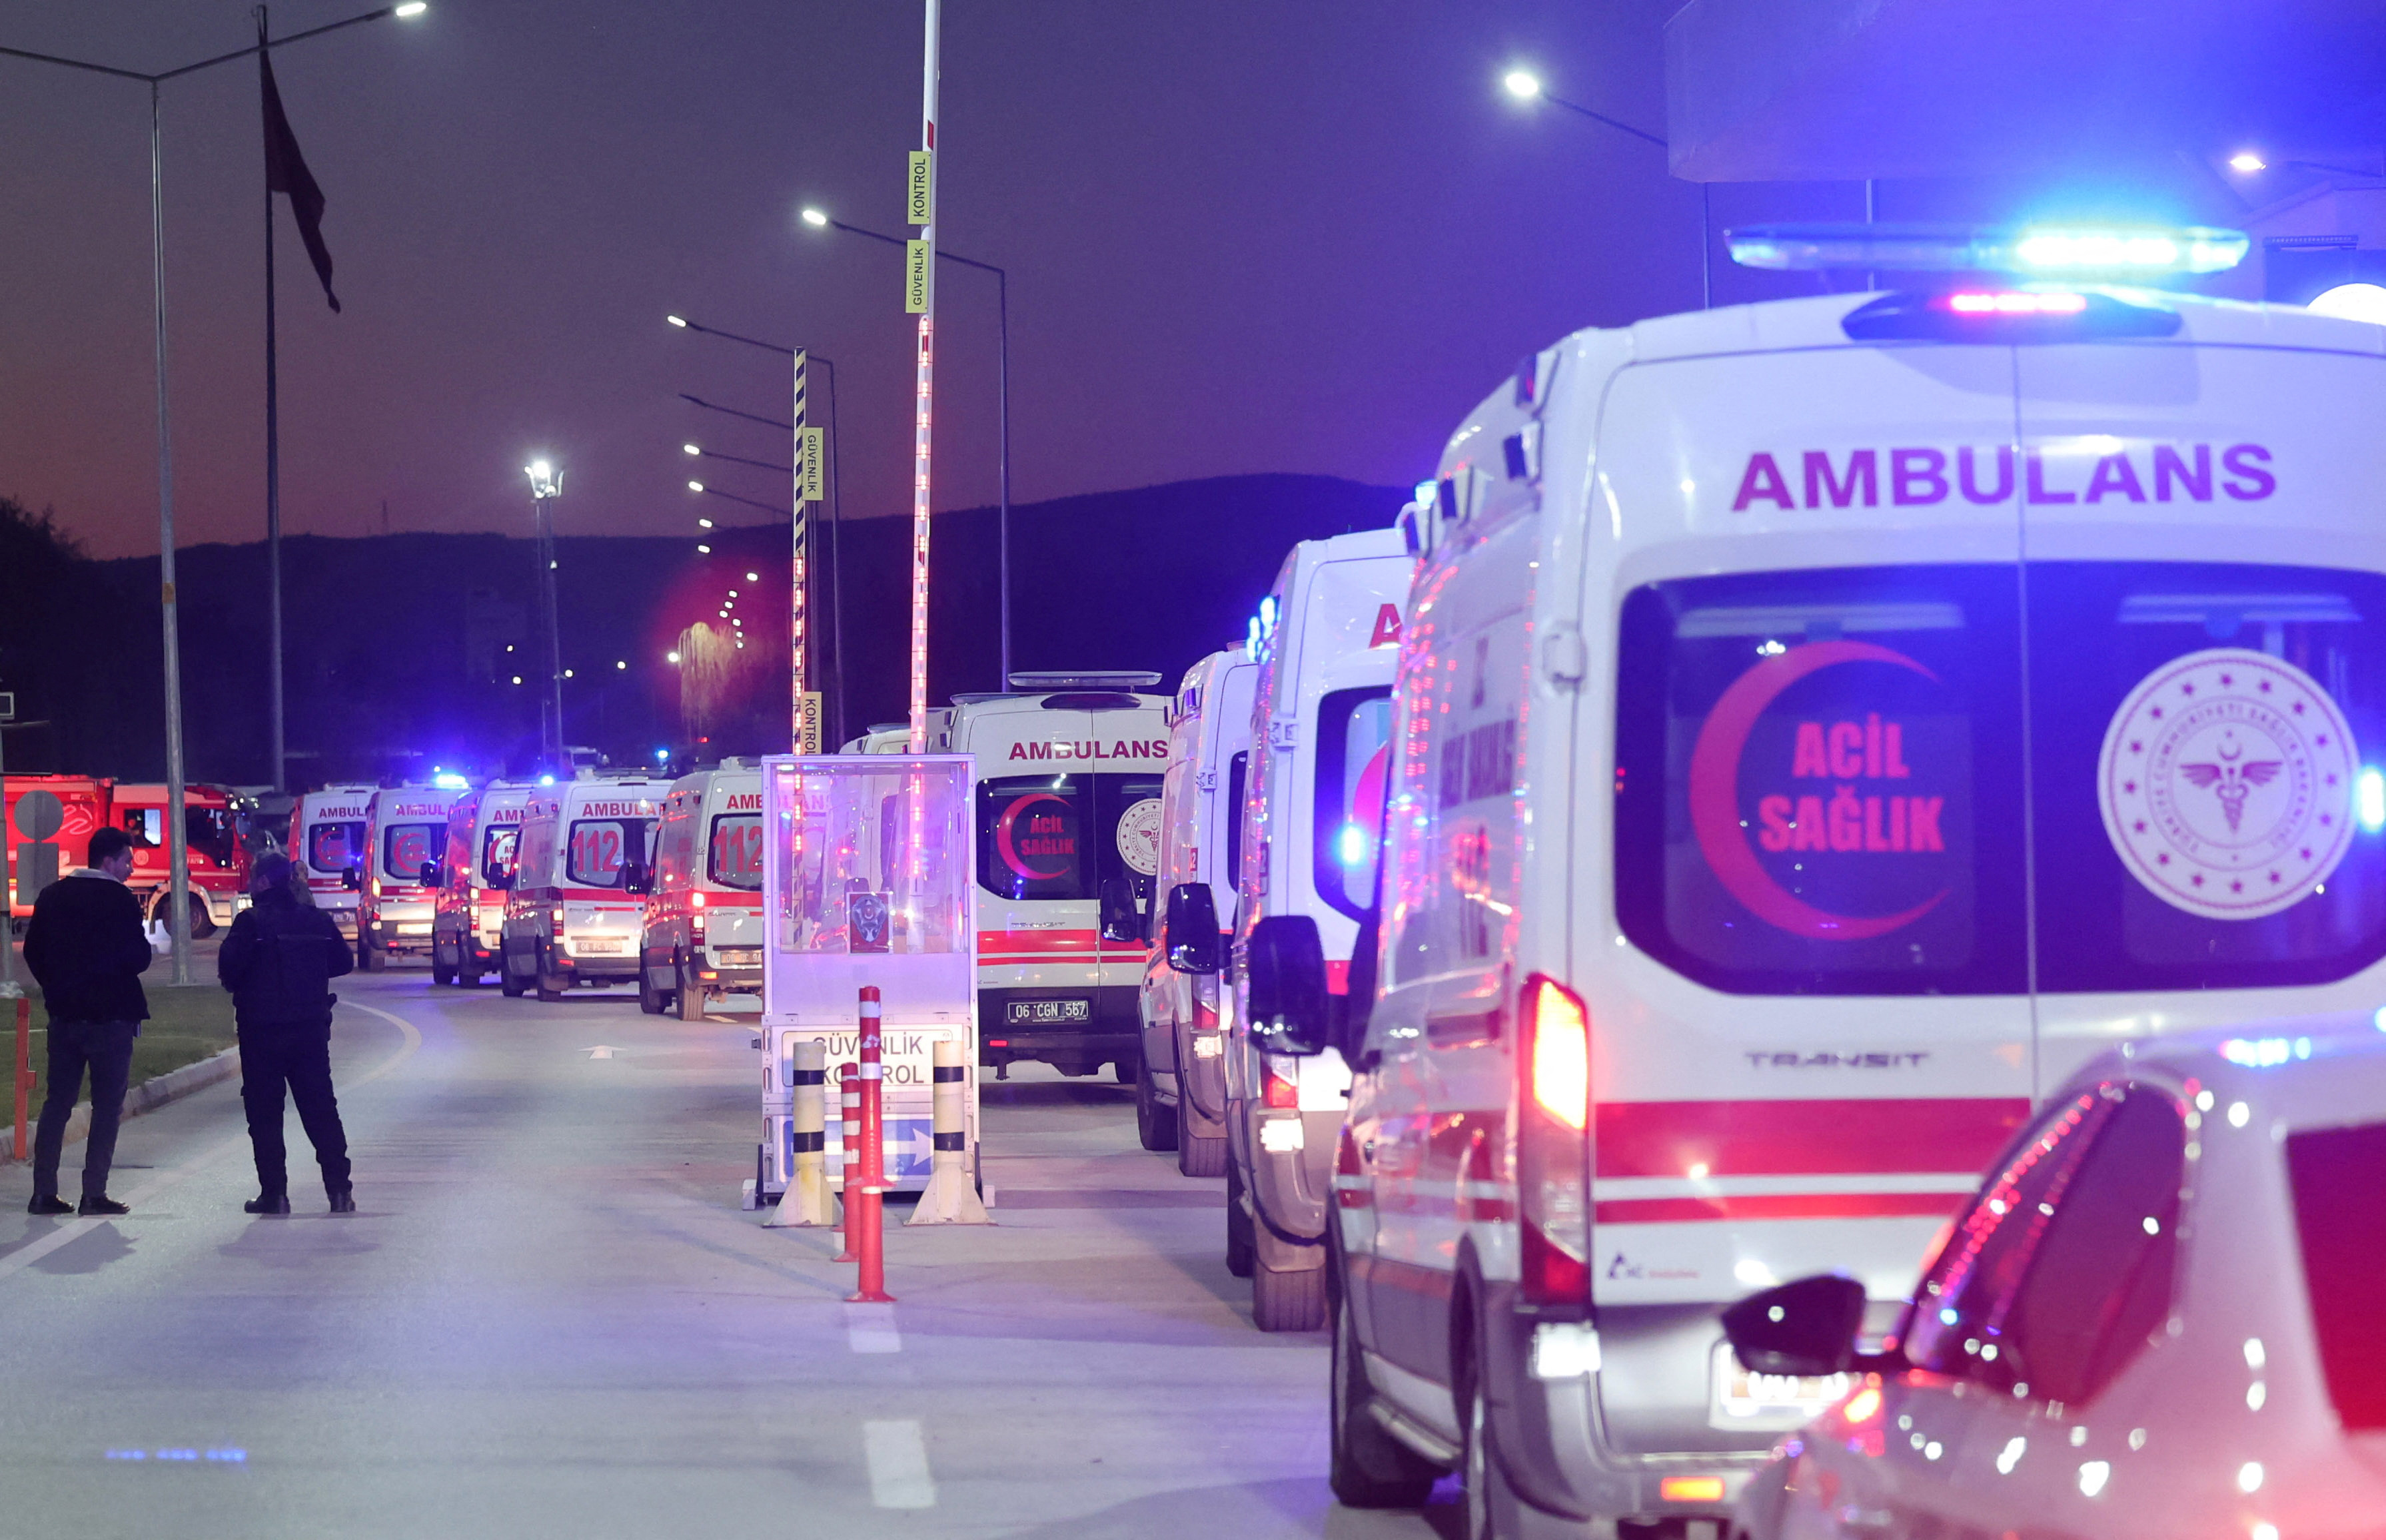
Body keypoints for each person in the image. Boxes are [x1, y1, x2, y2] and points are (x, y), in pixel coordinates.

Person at [22, 825, 155, 1217]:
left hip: (64, 1018)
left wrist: (57, 987)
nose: (131, 870)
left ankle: (43, 1192)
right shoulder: (120, 901)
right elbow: (139, 959)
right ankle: (93, 1193)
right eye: (127, 861)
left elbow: (33, 952)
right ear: (109, 860)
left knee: (57, 1104)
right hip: (110, 1019)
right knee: (106, 1107)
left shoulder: (52, 896)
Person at [217, 853, 355, 1215]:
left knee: (264, 1114)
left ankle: (275, 1194)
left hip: (261, 1032)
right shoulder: (315, 919)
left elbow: (229, 969)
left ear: (263, 882)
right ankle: (340, 1191)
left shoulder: (251, 923)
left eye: (252, 877)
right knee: (321, 1109)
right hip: (309, 1030)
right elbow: (343, 962)